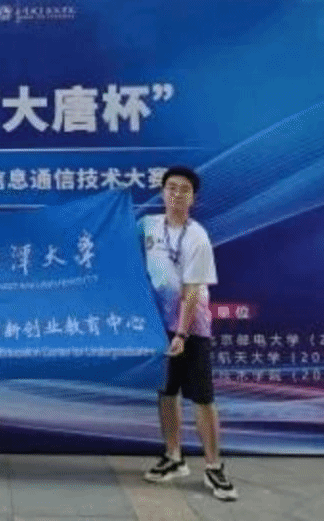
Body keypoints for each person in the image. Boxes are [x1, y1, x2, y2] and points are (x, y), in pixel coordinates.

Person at [140, 166, 237, 501]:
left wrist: (181, 334)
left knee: (203, 398)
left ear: (193, 198)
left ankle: (213, 467)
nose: (176, 194)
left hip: (192, 327)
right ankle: (173, 457)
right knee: (166, 393)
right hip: (158, 325)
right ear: (162, 192)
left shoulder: (197, 237)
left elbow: (192, 291)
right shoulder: (148, 225)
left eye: (184, 190)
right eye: (171, 187)